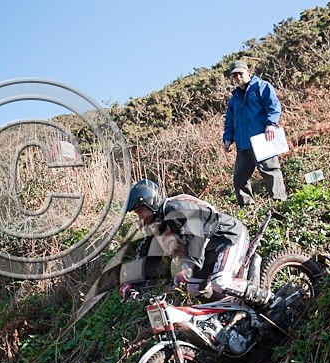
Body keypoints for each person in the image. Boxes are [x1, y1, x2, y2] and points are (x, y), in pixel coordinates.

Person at [119, 179, 276, 310]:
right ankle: (232, 311)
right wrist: (132, 282)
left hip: (228, 236)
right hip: (210, 251)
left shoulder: (176, 208)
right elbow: (148, 256)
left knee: (220, 282)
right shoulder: (156, 225)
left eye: (140, 211)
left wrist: (187, 266)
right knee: (194, 288)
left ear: (151, 203)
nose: (139, 216)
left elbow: (195, 235)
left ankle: (272, 301)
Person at [223, 60, 287, 207]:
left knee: (270, 170)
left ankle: (280, 205)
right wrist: (227, 139)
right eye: (235, 75)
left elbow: (273, 106)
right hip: (243, 144)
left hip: (262, 139)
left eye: (240, 73)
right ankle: (247, 208)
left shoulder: (262, 86)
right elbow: (230, 121)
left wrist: (271, 124)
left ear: (248, 72)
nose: (238, 77)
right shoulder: (234, 99)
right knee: (240, 178)